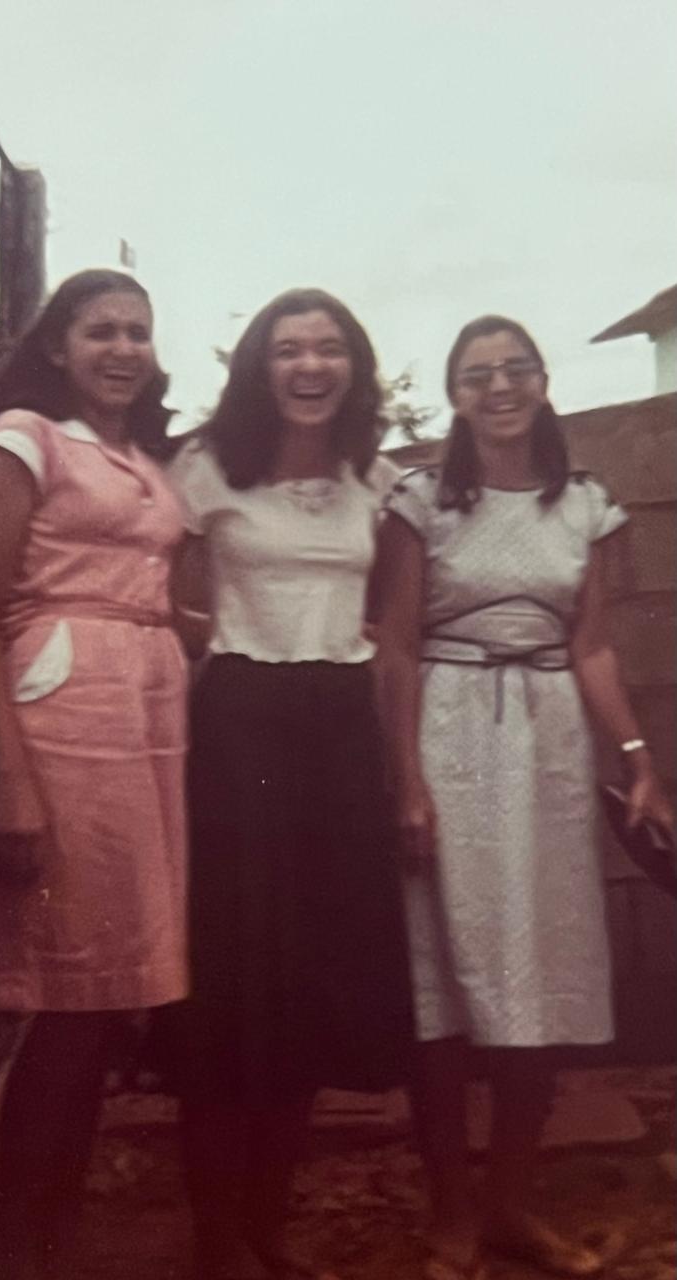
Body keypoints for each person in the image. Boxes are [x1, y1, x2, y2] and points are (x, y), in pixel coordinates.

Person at [374, 315, 674, 1280]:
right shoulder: (420, 500)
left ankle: (508, 1203)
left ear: (543, 381)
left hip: (546, 742)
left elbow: (592, 648)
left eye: (516, 369)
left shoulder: (585, 503)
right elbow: (396, 646)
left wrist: (638, 759)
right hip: (448, 730)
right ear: (455, 395)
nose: (499, 387)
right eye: (477, 375)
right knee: (445, 980)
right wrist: (407, 780)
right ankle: (452, 1213)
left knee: (540, 972)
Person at [0, 268, 188, 1277]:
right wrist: (13, 777)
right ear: (57, 346)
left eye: (138, 331)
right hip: (67, 720)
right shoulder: (24, 439)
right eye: (100, 331)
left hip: (145, 721)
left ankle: (50, 1237)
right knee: (63, 998)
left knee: (102, 999)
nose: (122, 349)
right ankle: (25, 1247)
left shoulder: (141, 460)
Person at [167, 288, 414, 1280]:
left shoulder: (378, 482)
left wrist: (400, 772)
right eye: (288, 350)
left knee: (311, 984)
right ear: (258, 368)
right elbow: (171, 604)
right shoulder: (204, 469)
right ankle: (216, 1239)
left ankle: (268, 1225)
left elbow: (392, 631)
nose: (310, 367)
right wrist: (217, 655)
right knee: (235, 986)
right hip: (239, 727)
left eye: (328, 349)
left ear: (353, 366)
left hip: (340, 731)